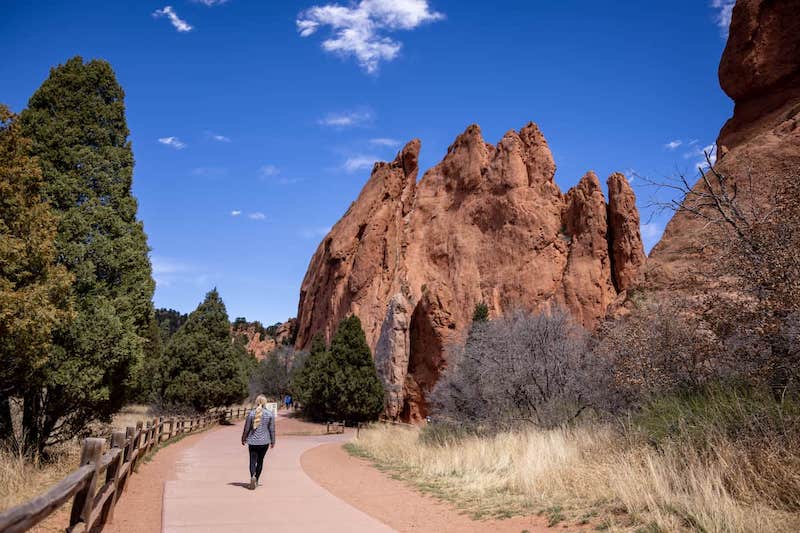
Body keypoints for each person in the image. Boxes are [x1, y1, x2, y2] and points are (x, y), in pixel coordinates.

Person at [241, 395, 275, 490]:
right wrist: (273, 441)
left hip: (253, 441)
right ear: (265, 403)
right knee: (260, 461)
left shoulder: (251, 414)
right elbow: (272, 429)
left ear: (256, 402)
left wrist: (243, 438)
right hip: (264, 442)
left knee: (252, 461)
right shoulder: (269, 414)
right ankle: (256, 480)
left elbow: (246, 428)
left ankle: (252, 476)